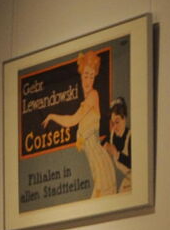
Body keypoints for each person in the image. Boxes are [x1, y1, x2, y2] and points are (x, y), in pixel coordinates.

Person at [38, 51, 116, 198]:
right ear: (80, 76)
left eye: (91, 76)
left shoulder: (93, 95)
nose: (88, 80)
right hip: (95, 168)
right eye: (86, 75)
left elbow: (72, 120)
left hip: (101, 166)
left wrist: (52, 116)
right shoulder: (85, 102)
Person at [105, 96, 132, 192]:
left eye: (117, 122)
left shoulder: (130, 137)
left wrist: (116, 154)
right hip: (127, 179)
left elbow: (132, 163)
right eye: (113, 123)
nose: (115, 127)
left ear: (124, 119)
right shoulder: (113, 135)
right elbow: (103, 143)